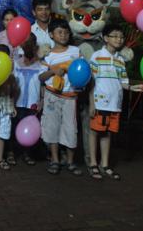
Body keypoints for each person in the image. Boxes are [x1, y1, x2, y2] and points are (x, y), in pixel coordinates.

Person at [88, 24, 143, 180]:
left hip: (115, 104)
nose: (119, 39)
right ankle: (93, 163)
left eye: (121, 37)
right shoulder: (97, 56)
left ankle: (104, 164)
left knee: (107, 133)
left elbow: (123, 82)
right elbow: (91, 82)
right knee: (95, 132)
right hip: (99, 102)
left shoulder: (121, 60)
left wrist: (132, 87)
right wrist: (92, 103)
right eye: (115, 36)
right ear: (106, 38)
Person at [38, 18, 83, 176]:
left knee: (71, 129)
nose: (63, 35)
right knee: (52, 128)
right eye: (59, 32)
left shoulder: (76, 51)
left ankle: (70, 162)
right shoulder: (48, 55)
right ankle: (55, 160)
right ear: (51, 34)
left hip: (70, 97)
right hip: (52, 95)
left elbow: (83, 71)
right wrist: (53, 71)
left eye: (66, 32)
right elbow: (41, 77)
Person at [12, 33, 45, 165]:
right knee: (15, 126)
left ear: (35, 46)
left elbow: (43, 85)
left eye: (31, 43)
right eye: (25, 43)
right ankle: (14, 153)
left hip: (33, 103)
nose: (28, 46)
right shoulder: (16, 63)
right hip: (18, 102)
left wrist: (41, 100)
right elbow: (13, 84)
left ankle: (28, 154)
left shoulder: (41, 65)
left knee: (31, 128)